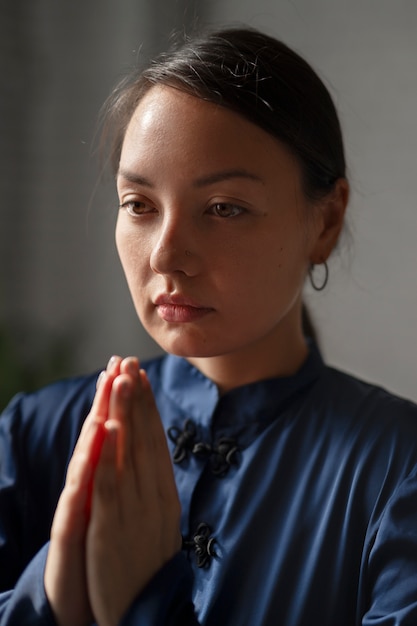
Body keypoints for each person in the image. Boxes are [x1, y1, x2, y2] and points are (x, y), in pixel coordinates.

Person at [1, 26, 417, 626]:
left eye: (224, 209)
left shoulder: (396, 470)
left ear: (325, 222)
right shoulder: (32, 437)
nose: (167, 255)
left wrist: (140, 601)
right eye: (139, 205)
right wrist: (51, 593)